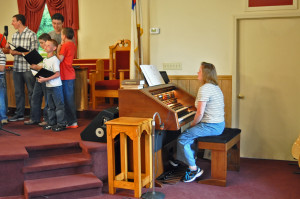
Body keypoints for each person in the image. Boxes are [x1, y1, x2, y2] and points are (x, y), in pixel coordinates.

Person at [176, 62, 225, 183]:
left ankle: (193, 169)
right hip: (219, 124)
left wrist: (193, 124)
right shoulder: (214, 86)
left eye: (199, 71)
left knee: (183, 137)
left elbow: (200, 114)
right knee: (191, 134)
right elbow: (203, 108)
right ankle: (183, 158)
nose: (197, 73)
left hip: (211, 126)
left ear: (205, 74)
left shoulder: (205, 88)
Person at [8, 14, 38, 122]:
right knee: (18, 92)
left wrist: (18, 52)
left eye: (13, 21)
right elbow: (14, 52)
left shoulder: (32, 34)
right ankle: (19, 114)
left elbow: (34, 52)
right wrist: (11, 52)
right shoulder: (14, 35)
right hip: (16, 67)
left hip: (28, 68)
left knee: (31, 92)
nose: (12, 23)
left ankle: (33, 115)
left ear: (19, 22)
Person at [32, 39, 66, 132]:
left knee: (59, 106)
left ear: (54, 48)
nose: (45, 47)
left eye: (48, 45)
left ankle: (61, 124)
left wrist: (45, 79)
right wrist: (40, 76)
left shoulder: (55, 60)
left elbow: (57, 74)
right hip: (48, 86)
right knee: (50, 106)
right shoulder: (46, 60)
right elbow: (46, 72)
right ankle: (52, 123)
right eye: (45, 45)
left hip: (56, 86)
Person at [24, 33, 51, 126]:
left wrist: (37, 67)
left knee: (47, 100)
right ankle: (34, 118)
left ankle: (47, 119)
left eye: (42, 43)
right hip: (38, 78)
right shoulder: (39, 52)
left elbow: (48, 67)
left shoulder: (50, 53)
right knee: (35, 98)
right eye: (40, 43)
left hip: (46, 79)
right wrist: (33, 65)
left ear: (48, 42)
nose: (41, 45)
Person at [57, 27, 78, 128]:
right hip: (69, 74)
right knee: (68, 99)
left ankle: (72, 122)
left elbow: (60, 59)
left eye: (61, 34)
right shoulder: (73, 44)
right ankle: (70, 121)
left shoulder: (65, 45)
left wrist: (57, 50)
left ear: (64, 36)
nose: (61, 36)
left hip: (66, 75)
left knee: (67, 100)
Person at [0, 32, 8, 125]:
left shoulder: (1, 54)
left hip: (0, 77)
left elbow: (1, 68)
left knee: (1, 98)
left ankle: (3, 117)